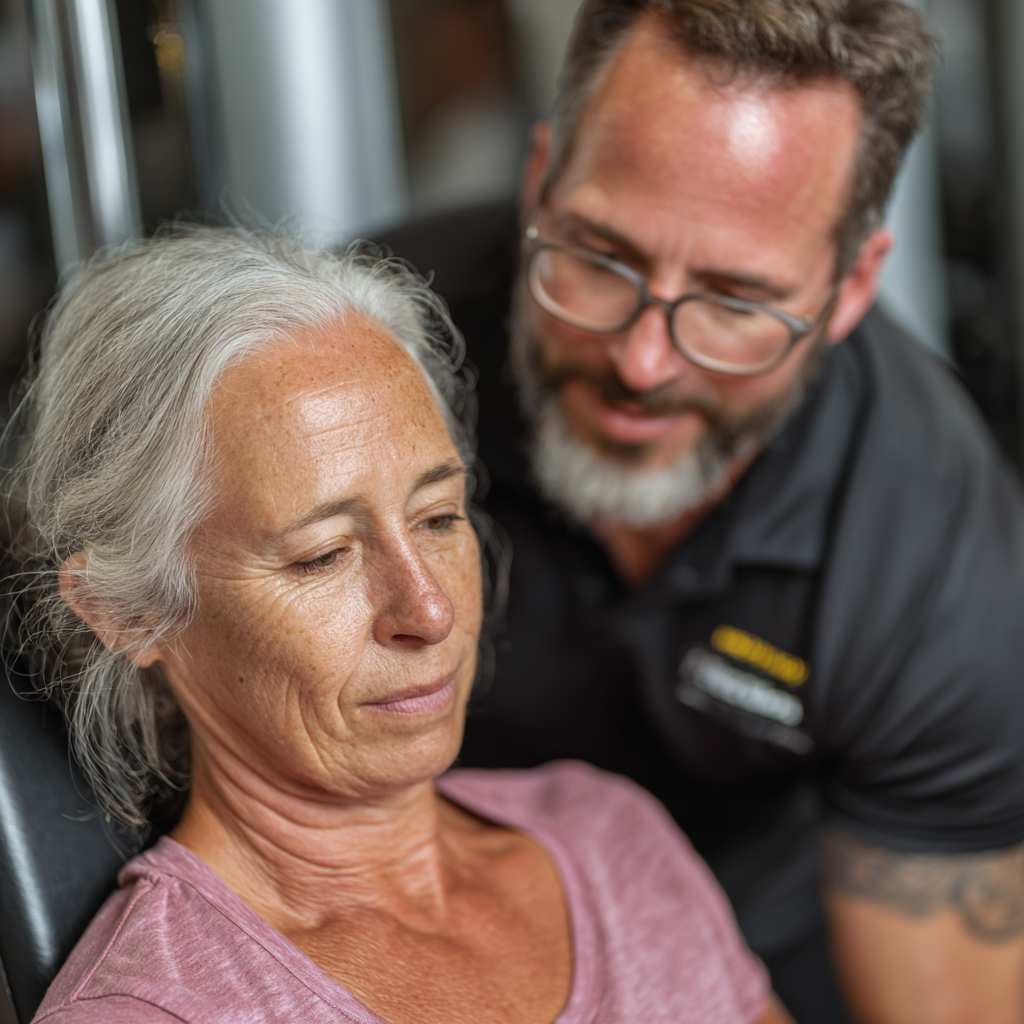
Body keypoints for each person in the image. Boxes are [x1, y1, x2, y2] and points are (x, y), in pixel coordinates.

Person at [380, 2, 1024, 1022]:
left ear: (850, 285)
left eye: (734, 301)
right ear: (539, 178)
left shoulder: (934, 563)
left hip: (750, 959)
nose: (641, 363)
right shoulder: (373, 361)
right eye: (599, 255)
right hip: (398, 933)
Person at [9, 227, 788, 1024]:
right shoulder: (152, 1012)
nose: (430, 610)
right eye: (323, 556)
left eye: (439, 517)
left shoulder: (611, 841)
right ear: (128, 614)